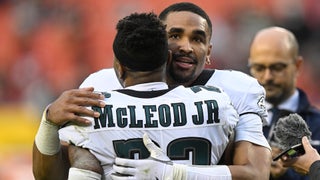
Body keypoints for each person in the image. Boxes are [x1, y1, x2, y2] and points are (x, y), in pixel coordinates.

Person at [33, 2, 272, 180]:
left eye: (197, 39)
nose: (185, 47)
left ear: (209, 51)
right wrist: (49, 120)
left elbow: (256, 173)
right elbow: (57, 169)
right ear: (158, 41)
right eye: (174, 35)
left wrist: (172, 173)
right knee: (81, 153)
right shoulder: (101, 84)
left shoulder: (237, 89)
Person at [248, 26, 320, 179]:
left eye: (277, 67)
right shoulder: (235, 122)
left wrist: (288, 173)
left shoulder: (318, 125)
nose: (267, 76)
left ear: (297, 66)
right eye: (259, 68)